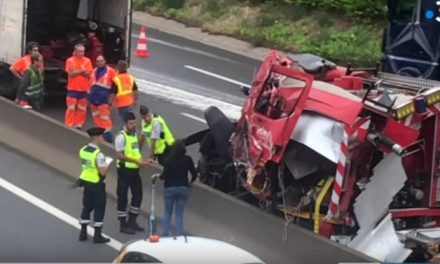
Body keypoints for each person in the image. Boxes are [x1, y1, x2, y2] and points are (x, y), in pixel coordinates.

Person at [114, 112, 147, 234]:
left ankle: (132, 220)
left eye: (134, 123)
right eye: (131, 123)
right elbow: (119, 155)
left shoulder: (133, 135)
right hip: (124, 171)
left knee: (138, 195)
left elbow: (136, 149)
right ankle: (123, 224)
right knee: (122, 196)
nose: (134, 125)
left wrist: (142, 160)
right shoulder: (121, 137)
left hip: (135, 170)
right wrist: (135, 161)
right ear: (125, 123)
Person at [78, 127, 111, 244]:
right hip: (97, 184)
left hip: (86, 183)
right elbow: (102, 171)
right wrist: (106, 165)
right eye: (101, 136)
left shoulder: (83, 150)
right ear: (97, 138)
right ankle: (97, 235)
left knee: (87, 207)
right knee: (99, 208)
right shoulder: (99, 154)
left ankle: (83, 232)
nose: (103, 138)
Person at [159, 139, 197, 237]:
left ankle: (165, 233)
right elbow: (194, 173)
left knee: (167, 212)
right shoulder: (187, 159)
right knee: (179, 214)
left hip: (169, 189)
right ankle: (178, 234)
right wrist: (191, 182)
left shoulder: (168, 161)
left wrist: (159, 176)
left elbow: (163, 176)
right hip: (183, 188)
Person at [88, 55, 117, 142]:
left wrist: (111, 99)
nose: (100, 63)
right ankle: (100, 136)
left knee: (104, 118)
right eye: (98, 61)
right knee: (96, 118)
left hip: (103, 99)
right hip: (94, 100)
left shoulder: (110, 71)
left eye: (101, 61)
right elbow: (90, 86)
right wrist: (89, 99)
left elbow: (115, 86)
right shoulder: (93, 71)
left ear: (105, 61)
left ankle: (108, 136)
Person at [65, 43, 93, 130]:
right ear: (75, 52)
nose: (82, 53)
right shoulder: (70, 60)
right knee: (71, 108)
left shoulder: (87, 61)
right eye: (80, 51)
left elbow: (89, 74)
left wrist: (77, 71)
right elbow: (71, 74)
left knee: (82, 109)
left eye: (83, 51)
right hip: (72, 89)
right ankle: (69, 124)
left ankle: (79, 124)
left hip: (84, 89)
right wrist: (82, 71)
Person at [9, 41, 44, 106]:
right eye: (35, 50)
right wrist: (20, 78)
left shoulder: (39, 59)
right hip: (26, 89)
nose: (37, 52)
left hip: (35, 92)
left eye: (37, 50)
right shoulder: (25, 60)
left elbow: (41, 72)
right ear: (29, 51)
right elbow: (12, 68)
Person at [109, 60, 138, 130]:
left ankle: (121, 136)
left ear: (118, 68)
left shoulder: (116, 79)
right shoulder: (130, 77)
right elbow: (135, 90)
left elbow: (113, 93)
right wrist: (135, 100)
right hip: (130, 102)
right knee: (130, 120)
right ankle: (131, 134)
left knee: (122, 121)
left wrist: (110, 102)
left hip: (121, 104)